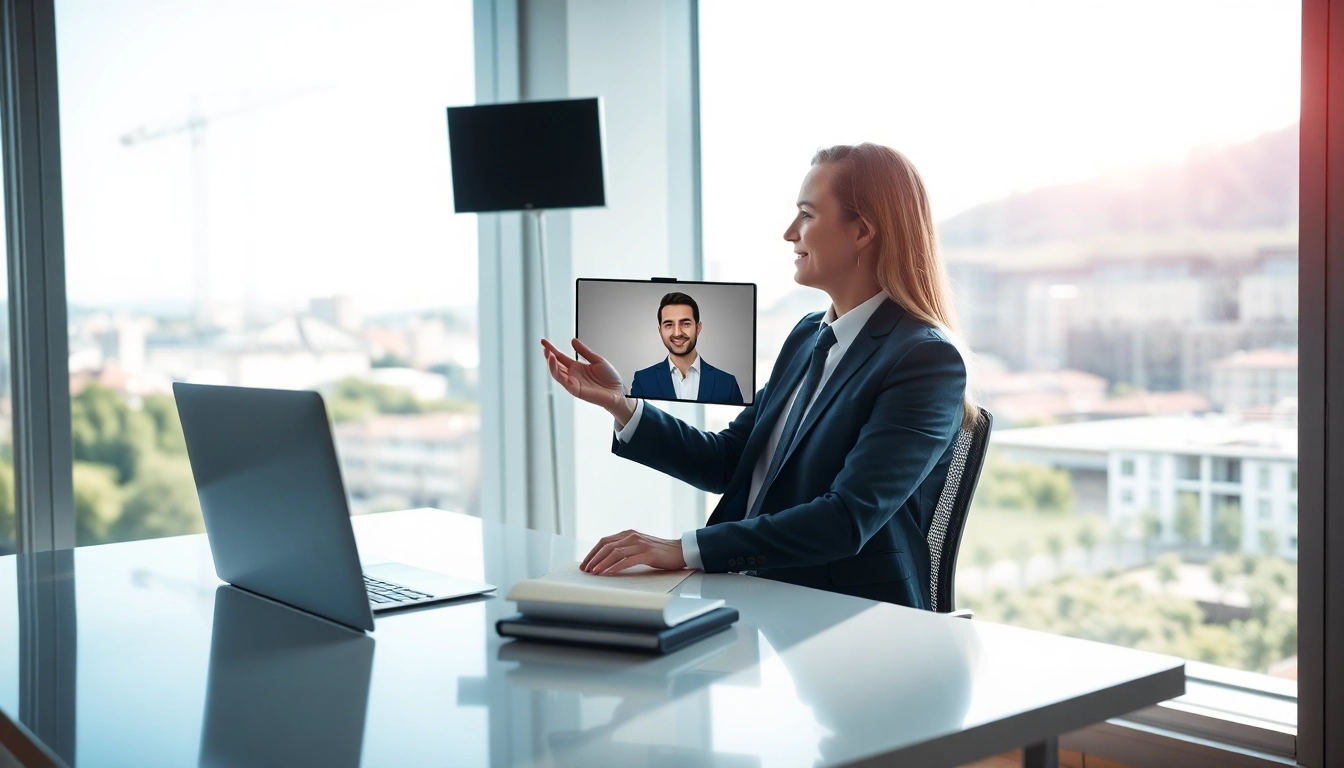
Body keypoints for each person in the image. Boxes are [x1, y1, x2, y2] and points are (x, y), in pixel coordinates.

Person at [540, 143, 973, 609]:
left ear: (863, 230)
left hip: (844, 613)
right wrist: (620, 404)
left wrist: (681, 549)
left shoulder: (925, 360)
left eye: (806, 215)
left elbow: (846, 520)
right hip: (755, 592)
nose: (789, 233)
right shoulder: (809, 335)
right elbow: (730, 460)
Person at [628, 291, 745, 406]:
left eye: (686, 324)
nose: (678, 333)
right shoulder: (643, 380)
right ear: (660, 331)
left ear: (698, 328)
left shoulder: (727, 383)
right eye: (669, 325)